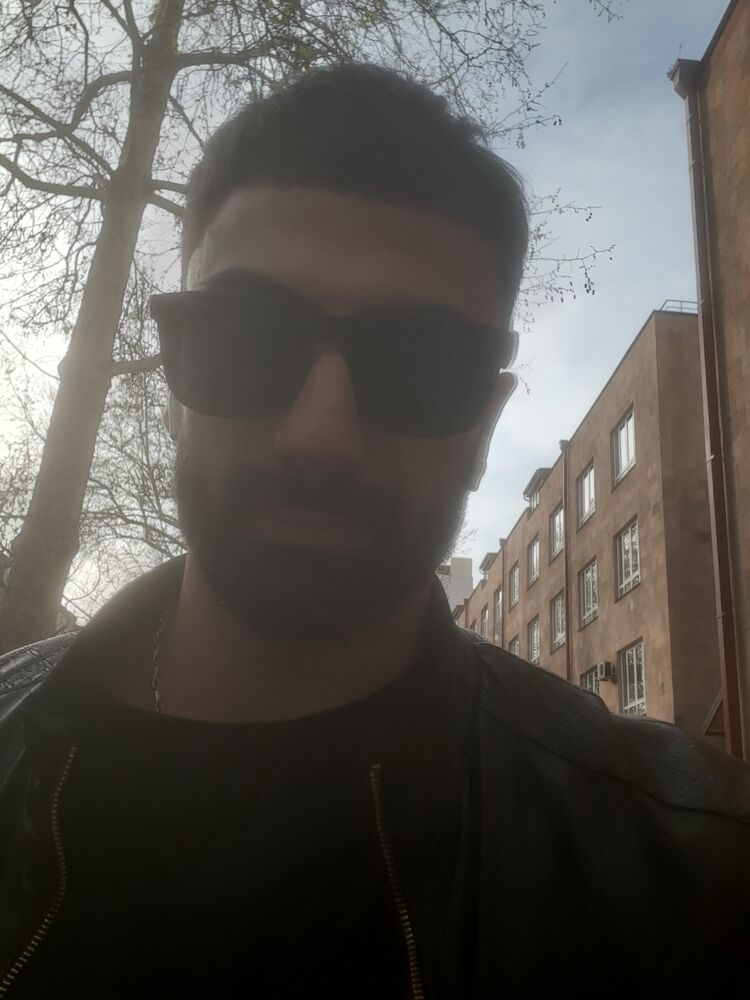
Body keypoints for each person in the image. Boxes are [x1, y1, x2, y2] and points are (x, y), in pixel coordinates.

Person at [0, 64, 748, 999]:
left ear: (483, 426)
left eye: (418, 365)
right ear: (175, 380)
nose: (319, 434)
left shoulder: (697, 872)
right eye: (246, 338)